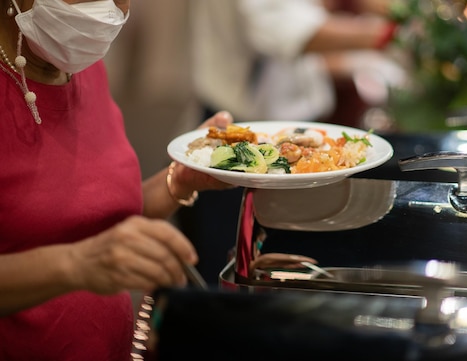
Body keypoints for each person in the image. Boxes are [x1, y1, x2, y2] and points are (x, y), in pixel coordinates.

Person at [0, 0, 234, 359]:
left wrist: (178, 182)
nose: (107, 7)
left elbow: (81, 222)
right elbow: (81, 252)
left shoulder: (79, 63)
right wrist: (78, 264)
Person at [180, 0, 408, 283]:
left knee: (286, 267)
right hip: (241, 128)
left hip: (294, 128)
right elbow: (281, 28)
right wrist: (395, 32)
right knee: (229, 271)